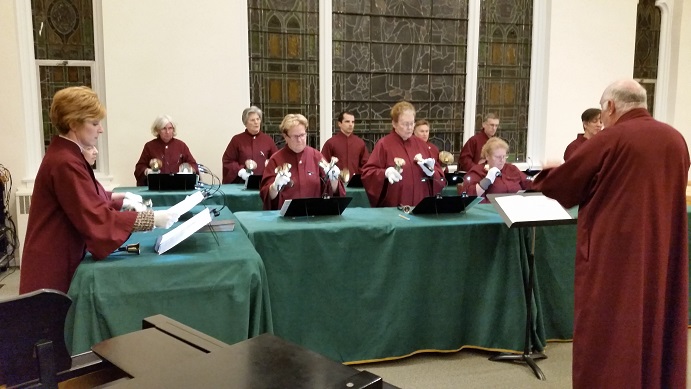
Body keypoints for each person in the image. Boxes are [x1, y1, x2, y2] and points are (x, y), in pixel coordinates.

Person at [532, 79, 689, 389]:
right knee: (656, 319)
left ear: (610, 106)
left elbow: (565, 184)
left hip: (615, 254)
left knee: (612, 328)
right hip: (661, 250)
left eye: (602, 112)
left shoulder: (612, 138)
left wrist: (549, 172)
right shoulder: (676, 139)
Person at [20, 86, 178, 294]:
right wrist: (152, 219)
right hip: (54, 262)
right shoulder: (65, 161)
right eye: (94, 123)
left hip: (57, 253)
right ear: (73, 124)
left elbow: (88, 195)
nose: (100, 129)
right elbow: (95, 216)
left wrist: (120, 199)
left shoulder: (67, 154)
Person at [361, 101, 445, 207]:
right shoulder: (384, 144)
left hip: (420, 204)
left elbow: (440, 175)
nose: (410, 128)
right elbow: (368, 173)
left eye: (412, 123)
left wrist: (432, 172)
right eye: (405, 124)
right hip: (395, 205)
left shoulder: (421, 145)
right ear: (394, 123)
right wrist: (385, 173)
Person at [260, 114, 345, 210]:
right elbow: (266, 195)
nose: (300, 140)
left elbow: (334, 193)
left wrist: (334, 180)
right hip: (286, 218)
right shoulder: (276, 160)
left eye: (302, 135)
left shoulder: (316, 156)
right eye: (295, 136)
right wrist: (274, 187)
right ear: (285, 137)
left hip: (314, 215)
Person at [460, 137, 531, 202]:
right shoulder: (477, 171)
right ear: (487, 156)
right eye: (498, 157)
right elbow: (469, 196)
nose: (502, 160)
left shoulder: (512, 169)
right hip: (491, 212)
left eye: (504, 156)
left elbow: (530, 184)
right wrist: (487, 180)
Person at [134, 114, 198, 186]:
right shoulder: (149, 146)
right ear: (157, 130)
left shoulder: (181, 145)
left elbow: (193, 165)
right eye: (164, 128)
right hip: (156, 187)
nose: (167, 132)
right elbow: (139, 168)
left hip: (178, 187)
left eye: (170, 128)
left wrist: (188, 170)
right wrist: (147, 171)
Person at [222, 106, 278, 184]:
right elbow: (228, 161)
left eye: (258, 119)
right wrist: (240, 171)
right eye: (252, 120)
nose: (256, 122)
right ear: (245, 123)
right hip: (241, 184)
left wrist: (270, 163)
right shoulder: (237, 140)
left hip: (262, 183)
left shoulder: (267, 140)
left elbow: (277, 160)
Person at [82, 145, 146, 211]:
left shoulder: (86, 172)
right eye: (89, 148)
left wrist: (124, 195)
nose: (96, 151)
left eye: (95, 147)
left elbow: (100, 194)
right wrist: (123, 203)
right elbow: (95, 202)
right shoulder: (81, 176)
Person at [320, 111, 370, 177]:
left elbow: (366, 165)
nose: (350, 124)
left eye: (353, 122)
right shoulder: (331, 143)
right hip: (336, 184)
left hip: (355, 184)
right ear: (339, 124)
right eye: (347, 121)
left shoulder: (360, 143)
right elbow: (323, 164)